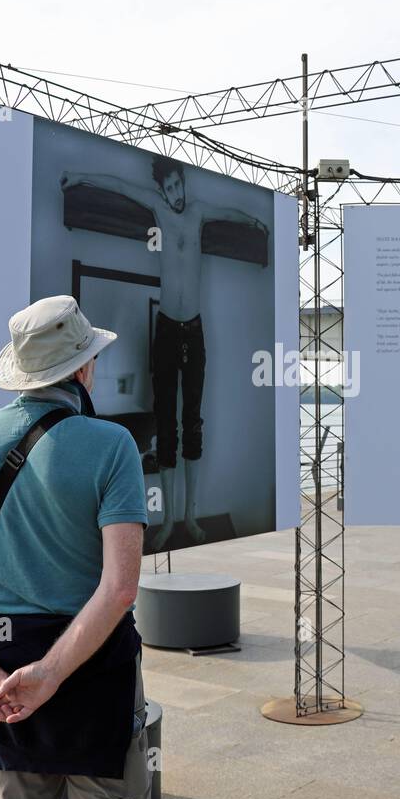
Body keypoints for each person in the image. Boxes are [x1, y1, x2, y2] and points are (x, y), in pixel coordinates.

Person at [0, 295, 152, 799]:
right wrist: (50, 674)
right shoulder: (112, 444)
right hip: (94, 658)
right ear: (82, 367)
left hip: (2, 664)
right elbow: (119, 589)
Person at [61, 156, 268, 551]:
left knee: (193, 419)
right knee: (167, 422)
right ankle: (171, 519)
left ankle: (189, 515)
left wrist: (255, 221)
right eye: (170, 187)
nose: (176, 194)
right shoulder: (157, 206)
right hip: (168, 329)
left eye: (179, 186)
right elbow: (117, 185)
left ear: (185, 184)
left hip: (195, 327)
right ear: (162, 189)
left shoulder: (199, 212)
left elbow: (229, 211)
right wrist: (80, 172)